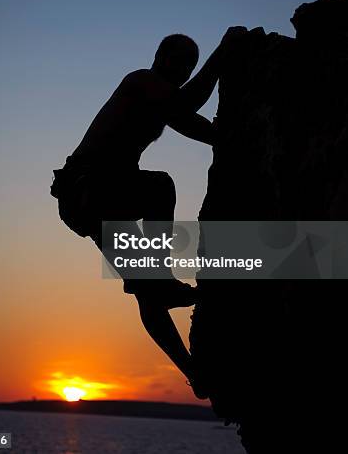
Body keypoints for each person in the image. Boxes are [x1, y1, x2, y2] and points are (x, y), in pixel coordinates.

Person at [50, 28, 246, 397]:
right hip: (90, 189)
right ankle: (164, 277)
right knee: (160, 186)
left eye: (190, 65)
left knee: (147, 291)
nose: (185, 69)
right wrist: (222, 54)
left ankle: (194, 373)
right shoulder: (142, 81)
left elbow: (193, 122)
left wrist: (228, 136)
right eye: (180, 60)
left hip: (92, 202)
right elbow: (187, 110)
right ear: (160, 57)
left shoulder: (162, 101)